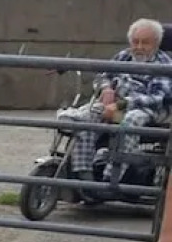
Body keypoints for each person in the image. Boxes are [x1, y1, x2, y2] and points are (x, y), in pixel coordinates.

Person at [67, 18, 171, 195]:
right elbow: (103, 76)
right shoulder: (123, 56)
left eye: (145, 42)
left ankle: (111, 179)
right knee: (86, 117)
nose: (139, 46)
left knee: (129, 122)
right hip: (115, 105)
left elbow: (157, 98)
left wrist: (121, 104)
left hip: (146, 109)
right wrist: (106, 88)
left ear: (156, 43)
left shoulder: (164, 64)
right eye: (135, 41)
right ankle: (84, 174)